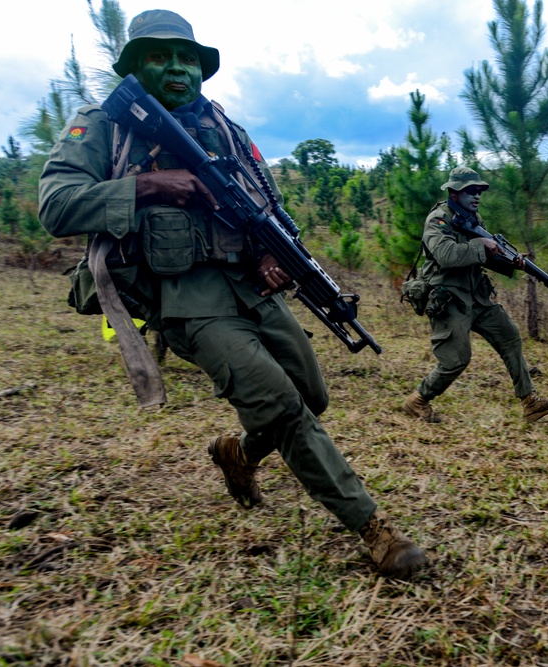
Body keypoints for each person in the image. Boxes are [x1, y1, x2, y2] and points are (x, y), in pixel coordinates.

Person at [38, 9, 426, 579]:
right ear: (135, 67)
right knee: (285, 409)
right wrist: (149, 185)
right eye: (159, 57)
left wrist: (274, 253)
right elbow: (56, 205)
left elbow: (266, 207)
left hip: (250, 287)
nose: (176, 68)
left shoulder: (226, 129)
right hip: (183, 299)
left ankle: (238, 454)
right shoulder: (104, 125)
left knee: (311, 395)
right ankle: (374, 530)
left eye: (187, 58)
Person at [403, 166, 548, 424]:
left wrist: (510, 262)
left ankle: (530, 402)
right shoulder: (438, 220)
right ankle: (418, 400)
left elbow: (485, 257)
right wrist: (481, 245)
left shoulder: (473, 219)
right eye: (471, 191)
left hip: (476, 296)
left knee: (509, 336)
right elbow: (446, 256)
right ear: (455, 193)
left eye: (479, 191)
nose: (477, 196)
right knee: (456, 360)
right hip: (449, 299)